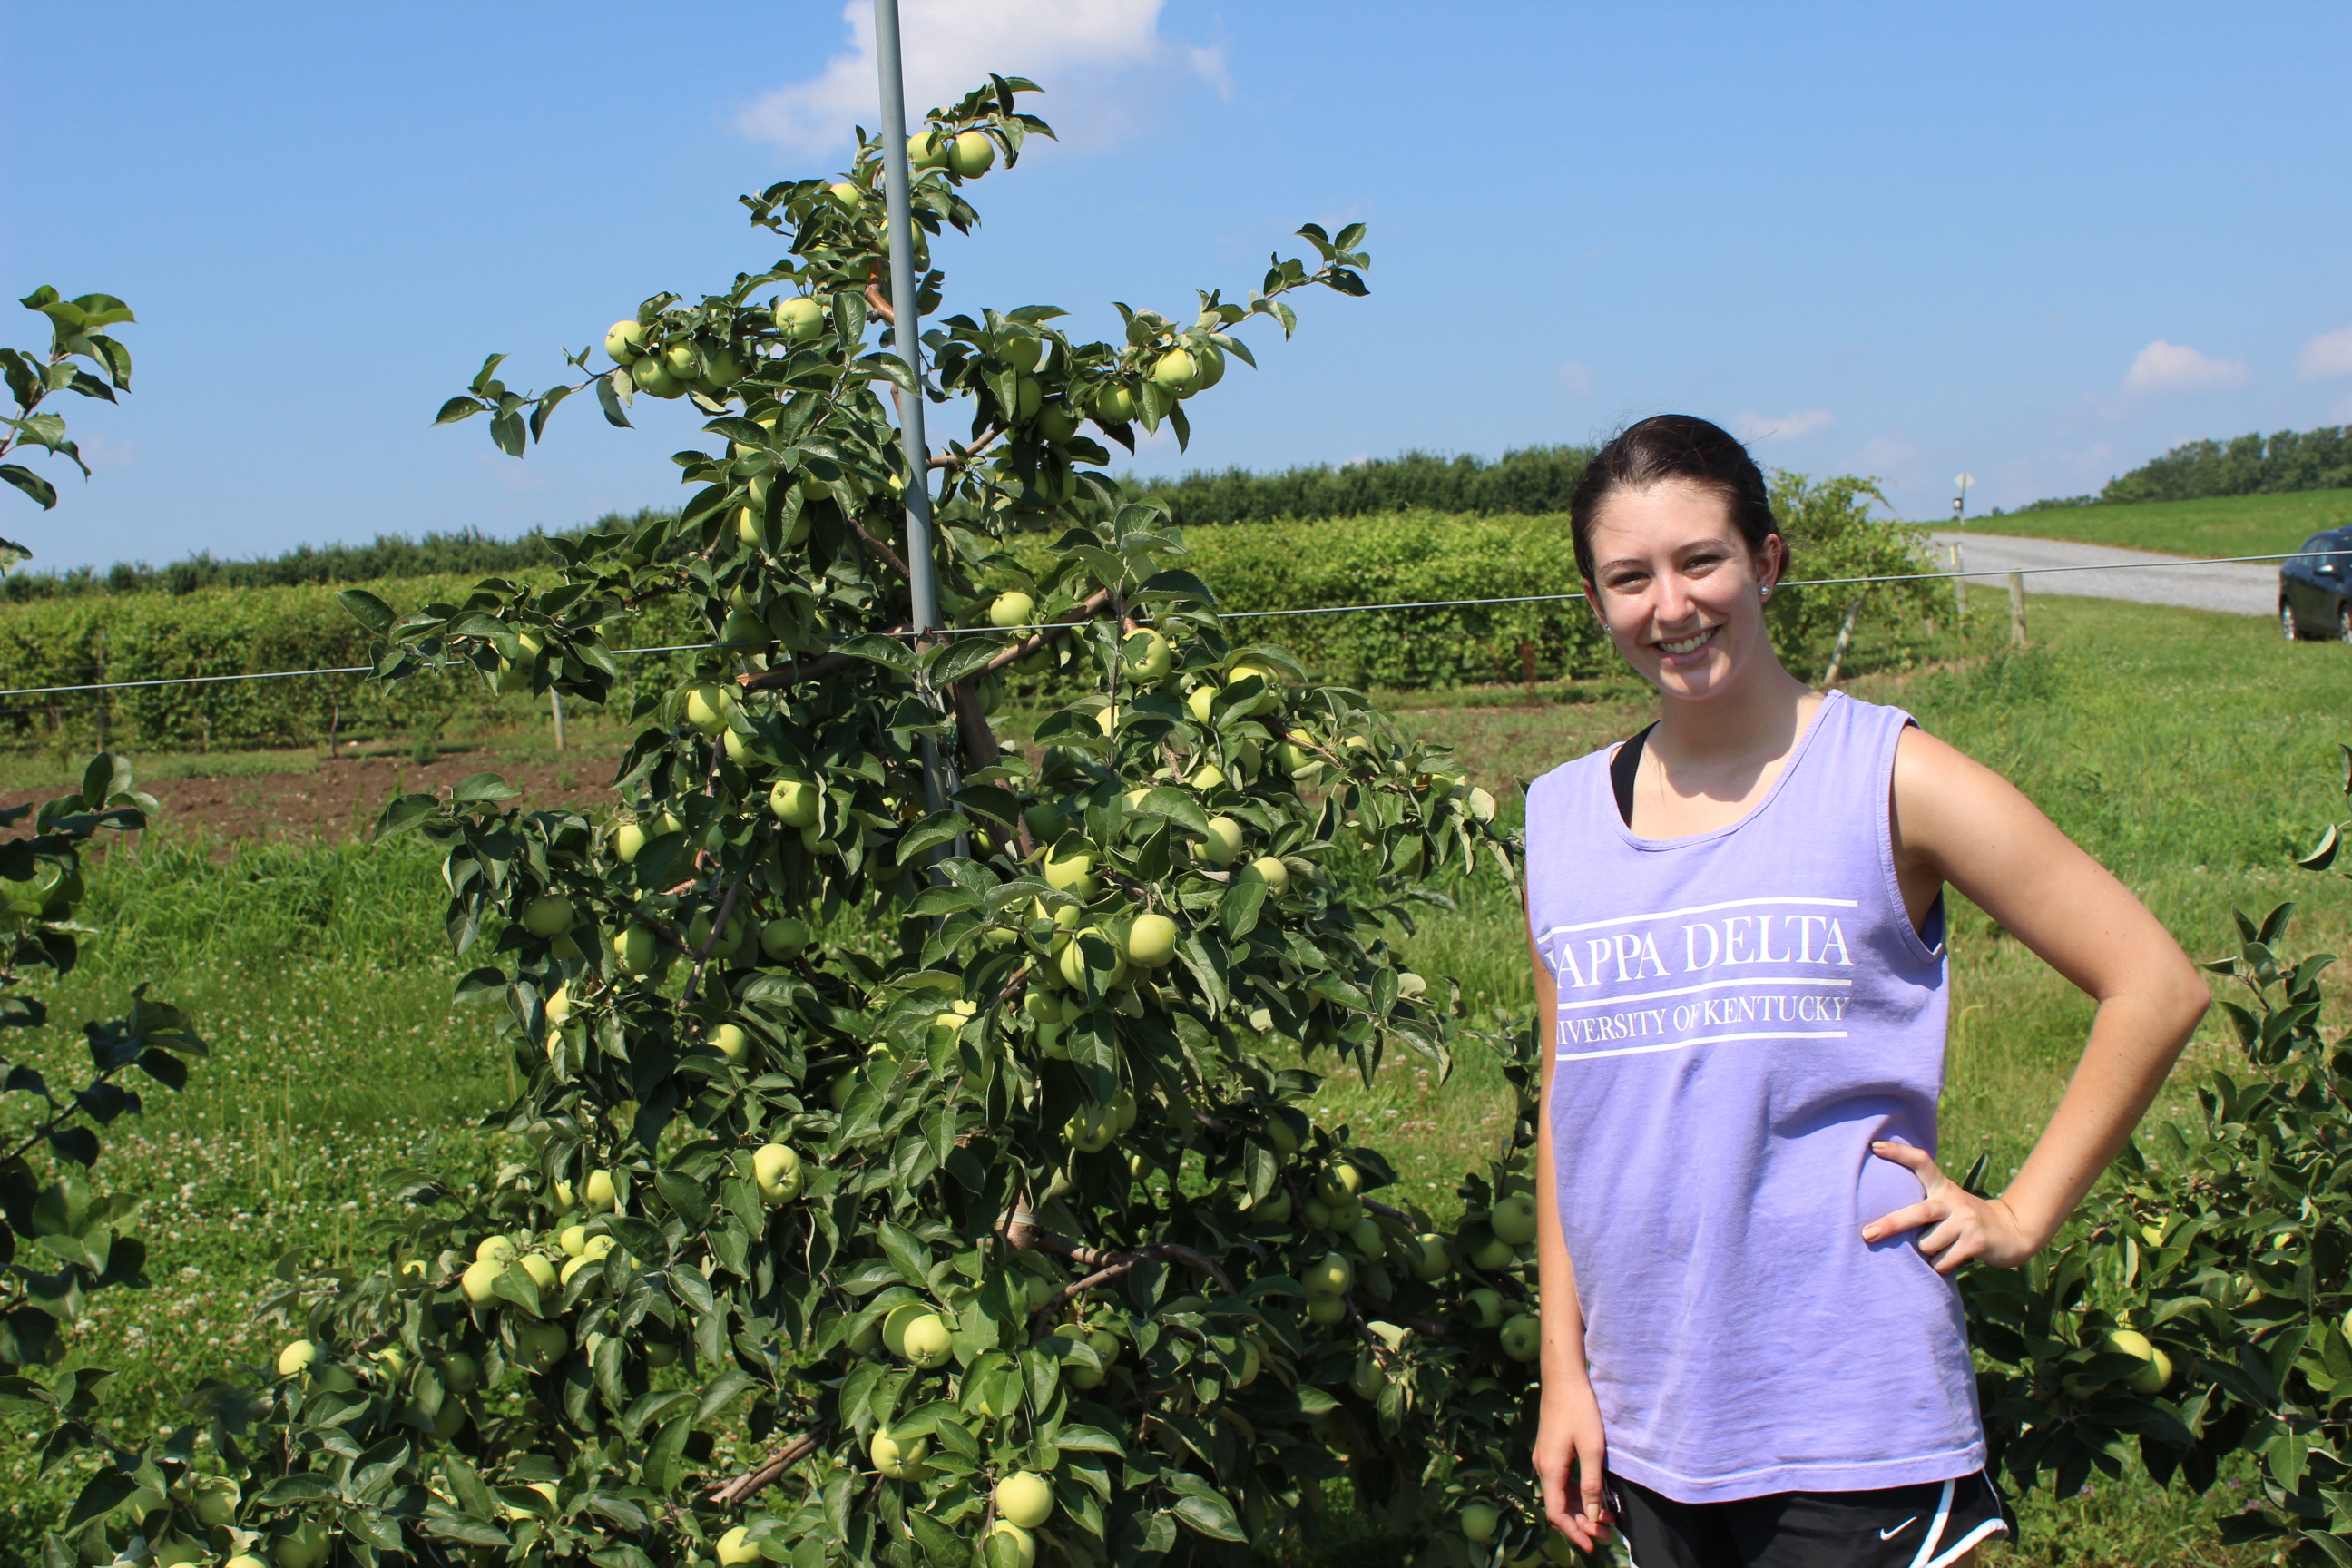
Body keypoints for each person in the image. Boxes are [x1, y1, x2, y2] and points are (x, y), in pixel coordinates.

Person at [1523, 415, 2210, 1568]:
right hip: (1647, 1427)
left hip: (1854, 1425)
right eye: (1629, 578)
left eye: (1702, 561)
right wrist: (1564, 1372)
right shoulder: (1558, 820)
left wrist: (2021, 1215)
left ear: (1769, 562)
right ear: (1595, 600)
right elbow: (1570, 1107)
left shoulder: (1890, 776)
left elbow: (2154, 980)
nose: (1672, 607)